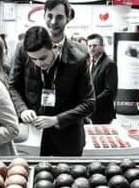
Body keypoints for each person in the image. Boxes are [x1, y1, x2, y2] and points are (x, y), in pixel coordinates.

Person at [10, 26, 95, 156]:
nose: (38, 63)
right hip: (32, 136)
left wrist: (57, 120)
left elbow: (89, 104)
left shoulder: (78, 60)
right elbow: (13, 87)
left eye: (43, 58)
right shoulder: (21, 51)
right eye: (33, 59)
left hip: (68, 137)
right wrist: (23, 110)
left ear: (54, 47)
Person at [87, 33, 117, 124]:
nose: (92, 48)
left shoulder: (109, 64)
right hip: (93, 111)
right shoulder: (92, 61)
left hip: (103, 112)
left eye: (95, 45)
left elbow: (110, 91)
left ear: (102, 46)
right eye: (89, 46)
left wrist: (92, 101)